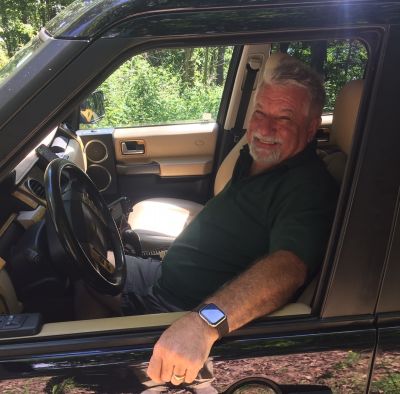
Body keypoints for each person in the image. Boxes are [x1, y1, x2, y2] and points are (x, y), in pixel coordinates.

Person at [83, 53, 338, 389]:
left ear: (311, 128)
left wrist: (204, 323)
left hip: (180, 308)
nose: (263, 128)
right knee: (83, 262)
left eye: (284, 119)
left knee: (72, 289)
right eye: (260, 113)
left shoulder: (306, 186)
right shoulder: (256, 158)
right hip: (164, 279)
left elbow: (287, 269)